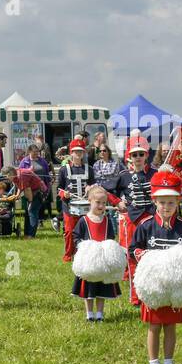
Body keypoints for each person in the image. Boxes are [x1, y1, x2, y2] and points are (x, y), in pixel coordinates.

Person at [130, 168, 182, 364]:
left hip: (175, 288)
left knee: (170, 326)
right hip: (154, 287)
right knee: (154, 326)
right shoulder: (145, 225)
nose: (166, 207)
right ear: (154, 201)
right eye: (162, 202)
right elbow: (133, 249)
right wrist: (144, 256)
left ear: (178, 202)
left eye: (171, 203)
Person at [108, 132, 156, 306]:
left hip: (152, 221)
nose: (138, 157)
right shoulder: (124, 176)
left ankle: (152, 296)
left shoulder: (156, 174)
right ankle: (136, 298)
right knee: (133, 257)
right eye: (134, 154)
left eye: (141, 154)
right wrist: (117, 202)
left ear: (147, 155)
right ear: (129, 157)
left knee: (153, 256)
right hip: (132, 221)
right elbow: (107, 189)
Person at [70, 185, 119, 321]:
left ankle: (100, 314)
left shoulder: (107, 221)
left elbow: (110, 238)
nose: (101, 205)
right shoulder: (83, 220)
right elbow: (76, 237)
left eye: (104, 203)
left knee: (102, 288)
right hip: (89, 262)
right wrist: (84, 247)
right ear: (90, 201)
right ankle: (89, 314)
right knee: (88, 288)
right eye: (98, 202)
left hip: (102, 262)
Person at [55, 136, 93, 261]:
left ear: (83, 153)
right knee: (70, 231)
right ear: (71, 152)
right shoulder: (64, 169)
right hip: (69, 206)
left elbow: (95, 185)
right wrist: (63, 194)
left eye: (80, 151)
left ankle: (84, 254)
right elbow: (58, 188)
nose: (78, 153)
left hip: (87, 206)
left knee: (86, 231)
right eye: (76, 151)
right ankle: (68, 254)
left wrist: (90, 188)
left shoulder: (89, 169)